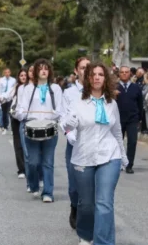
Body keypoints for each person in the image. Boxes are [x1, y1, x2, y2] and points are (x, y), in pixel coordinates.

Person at [62, 62, 127, 245]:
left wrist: (123, 157)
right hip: (83, 156)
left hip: (110, 155)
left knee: (104, 200)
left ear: (105, 79)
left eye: (101, 74)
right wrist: (69, 124)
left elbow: (116, 132)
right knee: (86, 203)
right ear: (88, 79)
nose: (97, 77)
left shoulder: (111, 103)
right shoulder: (78, 103)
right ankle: (85, 234)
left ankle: (104, 244)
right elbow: (66, 124)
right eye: (93, 74)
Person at [13, 60, 64, 201]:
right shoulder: (27, 89)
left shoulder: (55, 88)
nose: (43, 71)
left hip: (50, 128)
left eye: (46, 69)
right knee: (32, 161)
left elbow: (61, 108)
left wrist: (55, 115)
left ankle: (48, 192)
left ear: (49, 71)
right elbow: (21, 108)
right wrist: (20, 114)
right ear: (36, 71)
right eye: (40, 69)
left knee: (48, 162)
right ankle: (34, 185)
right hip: (31, 127)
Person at [62, 57, 90, 229]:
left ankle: (87, 216)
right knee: (74, 186)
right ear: (76, 71)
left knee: (90, 185)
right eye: (82, 67)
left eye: (88, 67)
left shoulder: (99, 91)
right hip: (74, 144)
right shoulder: (69, 93)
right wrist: (71, 135)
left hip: (93, 144)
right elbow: (63, 117)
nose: (85, 71)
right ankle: (74, 206)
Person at [115, 65, 145, 174]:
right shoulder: (114, 87)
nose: (124, 74)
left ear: (130, 74)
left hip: (132, 119)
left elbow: (140, 104)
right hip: (118, 119)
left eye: (126, 72)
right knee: (118, 142)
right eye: (122, 72)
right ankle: (118, 163)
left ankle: (129, 164)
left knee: (132, 142)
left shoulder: (136, 87)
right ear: (119, 74)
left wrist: (139, 118)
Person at [8, 68, 30, 179]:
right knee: (18, 144)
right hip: (16, 118)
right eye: (21, 75)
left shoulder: (31, 87)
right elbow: (9, 98)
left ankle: (30, 168)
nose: (23, 77)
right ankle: (21, 169)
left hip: (27, 118)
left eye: (25, 75)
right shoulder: (16, 88)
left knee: (27, 144)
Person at [0, 68, 17, 135]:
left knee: (11, 113)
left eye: (8, 72)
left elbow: (13, 89)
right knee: (4, 114)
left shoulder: (13, 80)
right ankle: (5, 127)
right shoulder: (1, 80)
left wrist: (11, 96)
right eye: (6, 72)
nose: (7, 74)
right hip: (3, 99)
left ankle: (13, 129)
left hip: (10, 99)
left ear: (10, 73)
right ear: (4, 73)